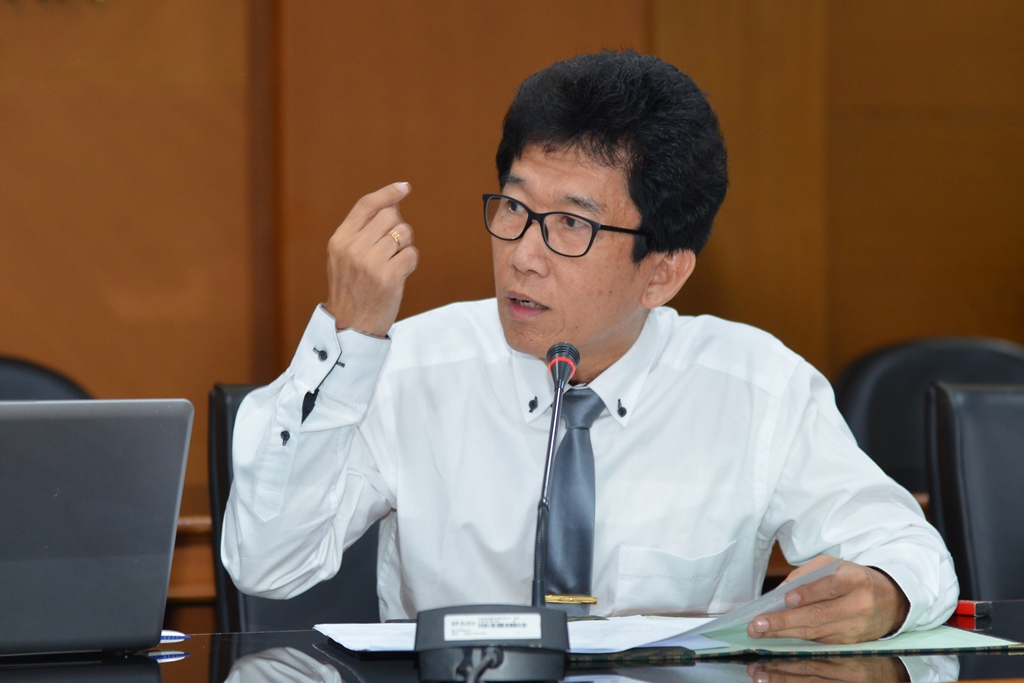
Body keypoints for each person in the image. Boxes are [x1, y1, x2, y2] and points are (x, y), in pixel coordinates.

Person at [222, 50, 957, 644]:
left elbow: (909, 549)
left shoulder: (756, 386)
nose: (522, 256)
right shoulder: (410, 365)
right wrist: (348, 338)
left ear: (662, 273)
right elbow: (267, 562)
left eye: (571, 226)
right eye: (514, 207)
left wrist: (886, 592)